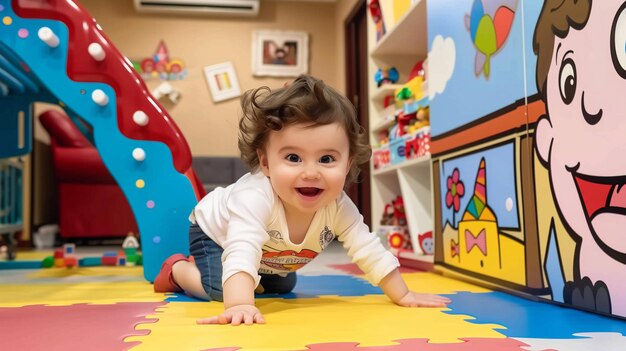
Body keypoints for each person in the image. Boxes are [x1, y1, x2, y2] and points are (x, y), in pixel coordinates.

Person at [154, 74, 451, 325]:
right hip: (215, 233)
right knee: (221, 288)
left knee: (284, 284)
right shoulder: (255, 197)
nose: (311, 173)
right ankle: (179, 270)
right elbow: (242, 248)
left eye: (326, 159)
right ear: (266, 163)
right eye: (293, 157)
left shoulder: (338, 206)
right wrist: (238, 305)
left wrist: (403, 295)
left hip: (273, 254)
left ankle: (249, 281)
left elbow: (368, 249)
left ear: (347, 164)